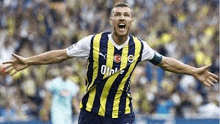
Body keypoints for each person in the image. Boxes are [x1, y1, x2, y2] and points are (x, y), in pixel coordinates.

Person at [3, 2, 218, 124]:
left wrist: (193, 71)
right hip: (91, 113)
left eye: (126, 14)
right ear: (111, 20)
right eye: (117, 14)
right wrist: (29, 62)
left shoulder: (140, 47)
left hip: (121, 114)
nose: (121, 17)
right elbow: (60, 55)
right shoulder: (93, 42)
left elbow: (165, 63)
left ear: (131, 21)